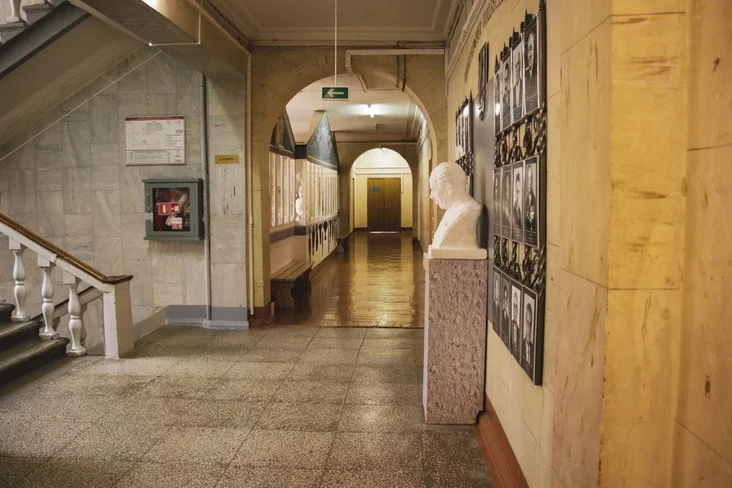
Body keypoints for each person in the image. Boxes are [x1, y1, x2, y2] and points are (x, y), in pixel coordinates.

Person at [525, 165, 537, 233]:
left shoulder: (535, 200)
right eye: (527, 179)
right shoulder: (524, 201)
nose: (529, 183)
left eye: (530, 179)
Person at [523, 300, 535, 365]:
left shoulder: (534, 349)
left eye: (530, 323)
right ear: (525, 322)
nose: (529, 328)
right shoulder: (520, 344)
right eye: (527, 322)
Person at [511, 290, 520, 355]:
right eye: (514, 306)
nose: (515, 310)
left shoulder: (519, 330)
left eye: (516, 306)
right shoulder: (509, 325)